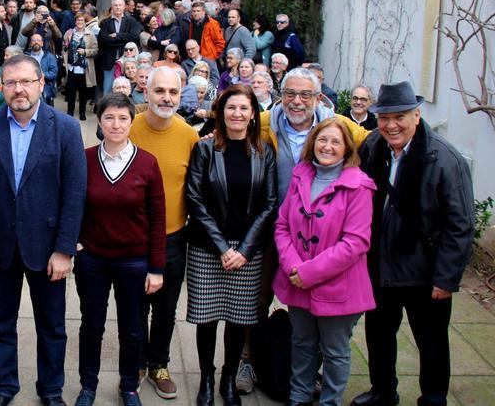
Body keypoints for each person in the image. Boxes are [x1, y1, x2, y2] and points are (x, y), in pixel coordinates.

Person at [0, 55, 86, 406]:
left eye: (26, 82)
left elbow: (74, 193)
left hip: (47, 249)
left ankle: (50, 389)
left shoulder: (64, 128)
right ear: (2, 85)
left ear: (41, 84)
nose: (19, 89)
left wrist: (64, 249)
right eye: (11, 82)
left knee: (52, 327)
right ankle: (4, 386)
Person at [353, 81, 474, 406]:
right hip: (380, 266)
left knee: (432, 343)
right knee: (378, 337)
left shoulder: (445, 159)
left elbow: (460, 225)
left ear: (417, 115)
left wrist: (445, 279)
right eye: (384, 117)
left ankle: (433, 398)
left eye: (400, 116)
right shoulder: (373, 146)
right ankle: (383, 392)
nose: (391, 124)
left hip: (425, 273)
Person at [185, 84, 277, 406]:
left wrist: (244, 249)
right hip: (208, 248)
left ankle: (228, 377)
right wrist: (223, 248)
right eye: (230, 107)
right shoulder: (205, 149)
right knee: (207, 318)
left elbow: (269, 203)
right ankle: (206, 379)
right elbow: (195, 200)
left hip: (247, 251)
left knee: (238, 320)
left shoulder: (264, 151)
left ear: (253, 114)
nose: (237, 114)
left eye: (243, 108)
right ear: (220, 112)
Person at [274, 116, 376, 406]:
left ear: (347, 148)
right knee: (302, 344)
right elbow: (282, 226)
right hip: (297, 280)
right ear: (312, 142)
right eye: (322, 139)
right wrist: (294, 266)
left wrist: (310, 272)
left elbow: (355, 242)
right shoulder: (300, 175)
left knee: (335, 351)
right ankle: (299, 398)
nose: (327, 146)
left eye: (335, 141)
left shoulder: (359, 187)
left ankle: (330, 402)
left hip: (337, 284)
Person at [74, 92, 166, 406]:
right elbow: (72, 204)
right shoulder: (84, 159)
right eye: (109, 117)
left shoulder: (147, 163)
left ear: (131, 121)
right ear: (99, 121)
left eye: (123, 118)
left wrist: (156, 267)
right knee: (91, 327)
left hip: (134, 262)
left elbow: (157, 218)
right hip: (93, 260)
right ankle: (88, 386)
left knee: (132, 330)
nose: (116, 124)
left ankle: (129, 386)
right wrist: (73, 242)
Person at [128, 67, 200, 400]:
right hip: (133, 237)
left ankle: (159, 363)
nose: (166, 98)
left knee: (166, 308)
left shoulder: (189, 136)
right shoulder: (129, 128)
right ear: (147, 91)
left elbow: (196, 189)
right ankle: (137, 362)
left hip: (173, 237)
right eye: (160, 91)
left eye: (172, 92)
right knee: (135, 306)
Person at [98, 0, 143, 94]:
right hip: (109, 61)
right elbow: (104, 39)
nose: (118, 7)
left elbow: (133, 36)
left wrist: (116, 36)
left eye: (120, 5)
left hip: (127, 60)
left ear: (124, 7)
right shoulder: (105, 23)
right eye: (115, 5)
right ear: (112, 7)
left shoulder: (131, 21)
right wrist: (123, 40)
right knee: (108, 90)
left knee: (125, 90)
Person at [63, 15, 98, 119]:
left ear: (85, 22)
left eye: (82, 20)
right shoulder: (69, 33)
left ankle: (82, 112)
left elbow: (95, 50)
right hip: (71, 67)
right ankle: (70, 111)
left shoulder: (90, 34)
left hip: (84, 69)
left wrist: (85, 52)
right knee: (71, 91)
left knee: (83, 92)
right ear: (75, 21)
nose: (79, 22)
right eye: (78, 20)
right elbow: (64, 47)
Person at [25, 33, 59, 106]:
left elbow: (54, 73)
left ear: (42, 43)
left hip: (45, 84)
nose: (36, 42)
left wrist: (43, 74)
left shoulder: (49, 57)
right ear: (30, 43)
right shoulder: (26, 57)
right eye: (34, 40)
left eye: (38, 40)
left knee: (43, 96)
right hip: (28, 83)